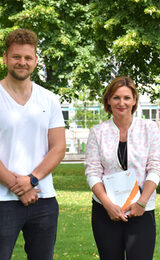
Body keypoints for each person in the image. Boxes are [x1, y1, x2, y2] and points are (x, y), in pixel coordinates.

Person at [0, 28, 66, 260]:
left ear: (36, 61)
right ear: (5, 58)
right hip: (2, 200)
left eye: (28, 57)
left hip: (43, 199)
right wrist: (16, 184)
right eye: (16, 56)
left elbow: (58, 147)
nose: (22, 62)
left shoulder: (49, 99)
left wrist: (32, 180)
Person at [84, 76, 160, 260]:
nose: (122, 103)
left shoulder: (149, 128)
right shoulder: (97, 132)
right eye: (116, 97)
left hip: (141, 209)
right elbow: (92, 172)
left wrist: (142, 202)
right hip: (105, 209)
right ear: (108, 101)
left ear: (134, 100)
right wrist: (108, 205)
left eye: (127, 98)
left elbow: (156, 167)